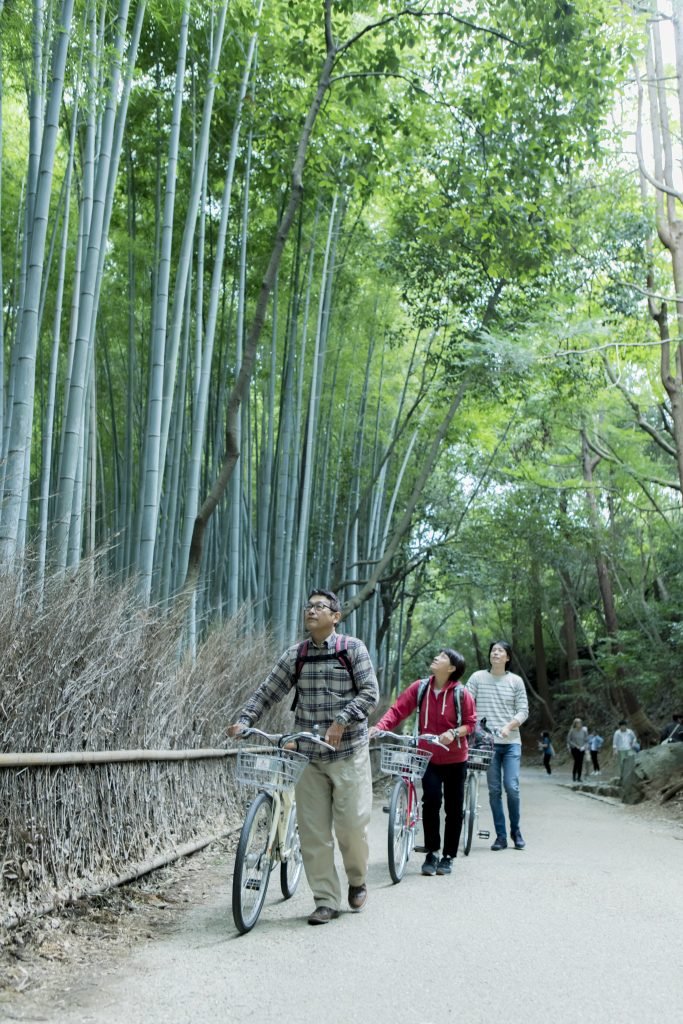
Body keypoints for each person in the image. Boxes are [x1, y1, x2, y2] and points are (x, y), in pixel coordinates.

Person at [228, 588, 379, 926]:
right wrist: (245, 719)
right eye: (308, 606)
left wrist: (343, 718)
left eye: (319, 607)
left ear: (335, 616)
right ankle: (326, 900)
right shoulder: (296, 655)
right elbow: (268, 690)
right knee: (312, 833)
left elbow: (371, 693)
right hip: (309, 753)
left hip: (348, 752)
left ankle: (357, 879)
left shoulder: (352, 649)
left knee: (352, 828)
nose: (311, 611)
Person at [369, 649, 476, 877]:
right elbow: (398, 711)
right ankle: (432, 852)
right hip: (428, 757)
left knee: (454, 809)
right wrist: (379, 727)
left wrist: (455, 733)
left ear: (452, 668)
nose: (436, 658)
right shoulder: (420, 688)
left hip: (456, 759)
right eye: (436, 655)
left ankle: (448, 857)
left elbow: (470, 723)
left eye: (442, 657)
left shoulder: (461, 693)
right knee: (431, 802)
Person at [466, 641, 529, 851]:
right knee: (494, 791)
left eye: (500, 650)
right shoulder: (477, 678)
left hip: (511, 742)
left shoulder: (516, 681)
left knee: (512, 787)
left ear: (508, 657)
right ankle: (501, 836)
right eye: (493, 650)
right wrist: (472, 725)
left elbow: (523, 710)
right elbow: (465, 701)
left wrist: (508, 726)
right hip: (486, 744)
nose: (496, 653)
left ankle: (516, 831)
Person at [567, 718, 588, 782]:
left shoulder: (584, 731)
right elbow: (568, 740)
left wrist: (584, 746)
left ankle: (579, 777)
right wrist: (575, 746)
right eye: (578, 723)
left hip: (582, 749)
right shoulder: (572, 731)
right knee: (576, 761)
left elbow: (586, 740)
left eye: (580, 723)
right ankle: (574, 776)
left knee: (580, 762)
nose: (579, 724)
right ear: (575, 724)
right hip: (574, 748)